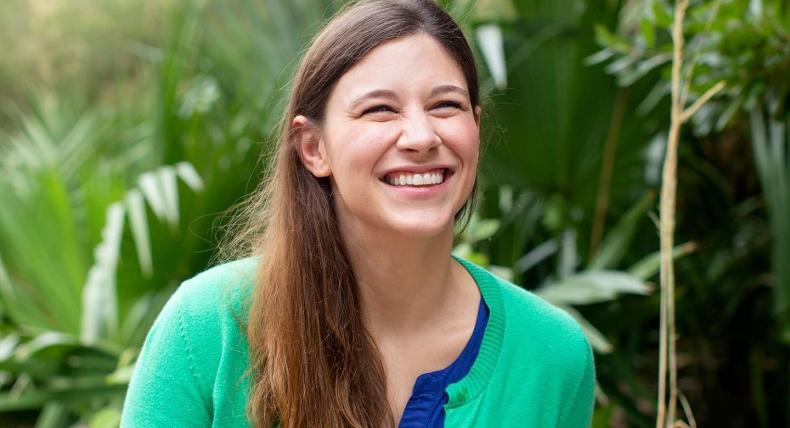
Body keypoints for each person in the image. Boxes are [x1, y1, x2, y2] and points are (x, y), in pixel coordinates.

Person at [120, 0, 596, 427]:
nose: (421, 136)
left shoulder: (552, 354)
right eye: (380, 110)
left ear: (476, 126)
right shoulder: (208, 327)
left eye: (445, 105)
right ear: (313, 148)